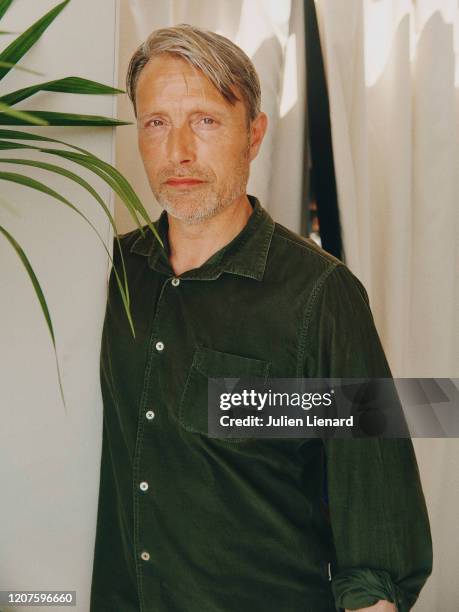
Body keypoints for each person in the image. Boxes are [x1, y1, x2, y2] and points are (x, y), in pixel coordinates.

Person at [89, 24, 432, 612]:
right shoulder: (105, 272)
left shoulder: (325, 295)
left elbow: (376, 526)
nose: (179, 153)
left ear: (253, 136)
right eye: (156, 123)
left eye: (205, 120)